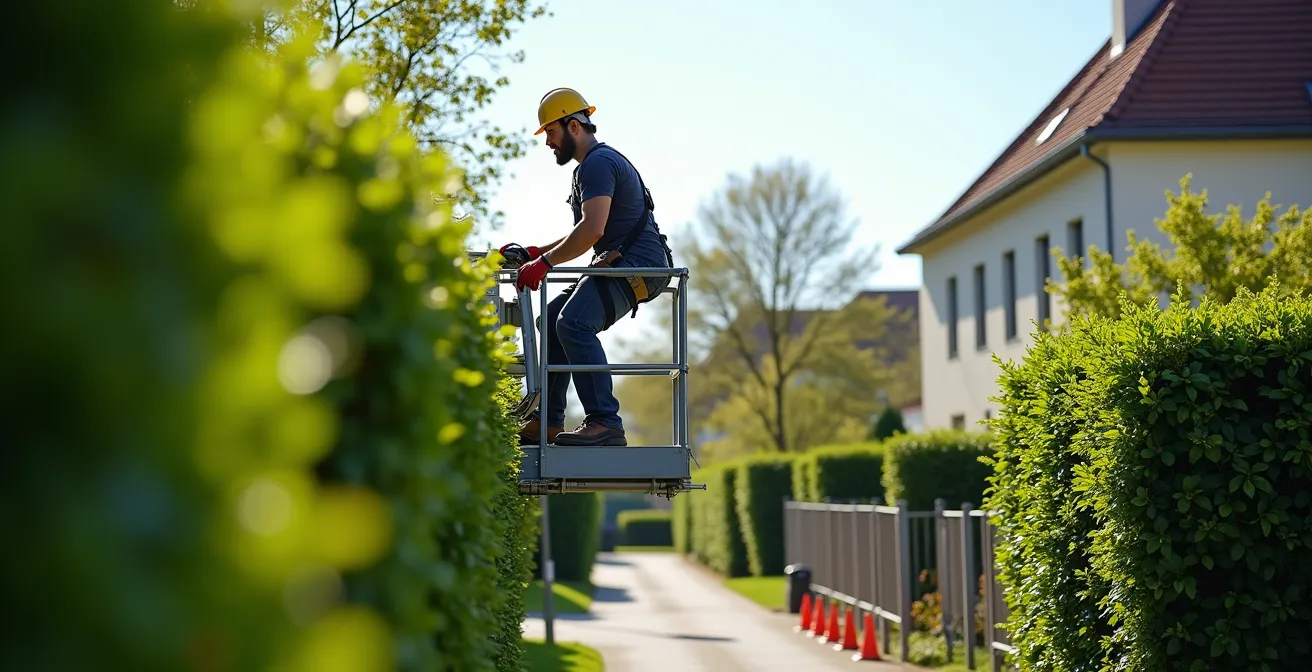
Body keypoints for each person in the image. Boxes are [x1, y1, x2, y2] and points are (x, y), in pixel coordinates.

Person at [500, 88, 674, 447]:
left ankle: (605, 423)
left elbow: (592, 229)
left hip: (640, 266)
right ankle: (548, 421)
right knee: (551, 318)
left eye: (551, 131)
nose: (547, 142)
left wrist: (544, 263)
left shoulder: (597, 164)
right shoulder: (591, 167)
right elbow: (586, 230)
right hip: (622, 263)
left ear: (574, 126)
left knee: (574, 323)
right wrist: (536, 252)